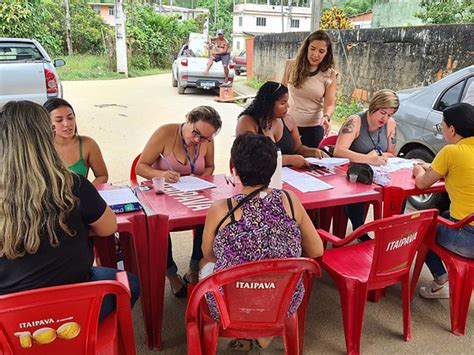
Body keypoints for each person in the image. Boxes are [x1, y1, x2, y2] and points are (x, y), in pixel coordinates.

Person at [0, 101, 139, 320]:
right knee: (129, 283)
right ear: (47, 136)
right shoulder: (73, 185)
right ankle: (90, 339)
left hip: (11, 319)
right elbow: (108, 227)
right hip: (74, 306)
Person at [200, 133, 324, 351]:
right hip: (282, 302)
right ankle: (264, 331)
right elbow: (316, 250)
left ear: (235, 171)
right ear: (273, 170)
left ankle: (247, 330)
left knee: (203, 264)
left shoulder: (221, 209)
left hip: (230, 305)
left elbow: (209, 254)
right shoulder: (290, 201)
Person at [136, 106, 222, 297]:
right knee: (159, 222)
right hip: (162, 195)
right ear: (188, 119)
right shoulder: (166, 132)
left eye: (205, 138)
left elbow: (210, 167)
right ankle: (171, 273)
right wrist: (162, 174)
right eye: (196, 133)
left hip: (193, 193)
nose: (198, 140)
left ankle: (194, 267)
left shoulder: (207, 139)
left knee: (209, 216)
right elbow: (141, 167)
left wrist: (196, 178)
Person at [413, 102, 474, 298]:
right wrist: (434, 165)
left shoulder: (451, 152)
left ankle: (440, 279)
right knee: (445, 215)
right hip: (469, 226)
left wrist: (419, 170)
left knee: (422, 228)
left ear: (452, 129)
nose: (442, 130)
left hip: (467, 239)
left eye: (442, 126)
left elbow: (422, 184)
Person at [334, 89, 399, 241]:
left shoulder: (390, 124)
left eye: (389, 114)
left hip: (377, 172)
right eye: (382, 112)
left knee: (397, 191)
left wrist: (378, 157)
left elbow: (391, 152)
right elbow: (338, 151)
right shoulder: (356, 121)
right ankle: (359, 232)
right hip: (351, 173)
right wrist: (368, 158)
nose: (385, 118)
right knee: (356, 190)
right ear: (374, 106)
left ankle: (390, 234)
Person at [236, 81, 327, 169]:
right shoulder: (247, 121)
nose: (287, 106)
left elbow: (298, 149)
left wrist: (314, 152)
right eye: (282, 103)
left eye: (287, 102)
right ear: (268, 104)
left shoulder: (288, 120)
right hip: (258, 178)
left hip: (289, 176)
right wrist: (288, 160)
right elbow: (251, 158)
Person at [281, 30, 337, 148]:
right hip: (288, 124)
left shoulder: (330, 74)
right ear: (306, 48)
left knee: (309, 163)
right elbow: (281, 94)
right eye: (312, 49)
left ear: (327, 53)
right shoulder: (291, 65)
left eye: (321, 51)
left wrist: (326, 116)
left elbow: (330, 104)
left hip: (314, 128)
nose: (315, 55)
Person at [43, 98, 108, 185]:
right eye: (59, 120)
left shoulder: (88, 144)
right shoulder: (41, 147)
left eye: (70, 118)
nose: (67, 124)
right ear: (47, 123)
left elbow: (102, 176)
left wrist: (88, 191)